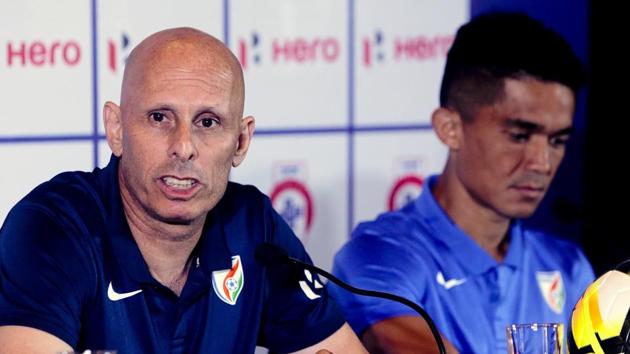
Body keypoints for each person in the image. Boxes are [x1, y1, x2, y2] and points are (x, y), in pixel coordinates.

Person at [0, 28, 366, 354]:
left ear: (240, 141)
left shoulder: (255, 229)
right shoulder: (51, 227)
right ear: (116, 128)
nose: (184, 147)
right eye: (160, 117)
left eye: (208, 122)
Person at [330, 12, 594, 354]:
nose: (542, 163)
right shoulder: (379, 257)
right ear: (450, 128)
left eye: (557, 141)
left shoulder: (568, 267)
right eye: (519, 135)